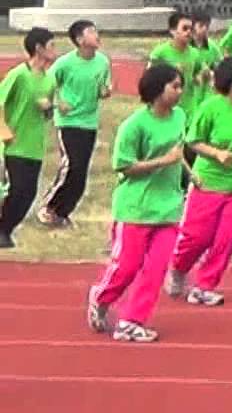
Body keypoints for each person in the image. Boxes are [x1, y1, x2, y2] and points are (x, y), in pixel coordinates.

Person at [87, 64, 188, 343]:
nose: (180, 92)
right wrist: (161, 162)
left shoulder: (180, 116)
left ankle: (132, 321)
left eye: (181, 86)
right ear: (157, 90)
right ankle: (102, 296)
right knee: (127, 266)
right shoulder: (134, 125)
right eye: (174, 86)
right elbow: (124, 166)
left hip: (168, 207)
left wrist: (191, 172)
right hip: (136, 207)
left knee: (156, 269)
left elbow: (178, 152)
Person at [167, 56, 232, 307]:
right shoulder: (211, 107)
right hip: (209, 180)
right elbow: (194, 140)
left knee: (227, 238)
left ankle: (204, 286)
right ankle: (178, 268)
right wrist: (217, 154)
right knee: (197, 237)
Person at [38, 19, 114, 229]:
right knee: (72, 166)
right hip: (69, 121)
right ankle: (48, 207)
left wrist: (105, 92)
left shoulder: (102, 62)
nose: (97, 35)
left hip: (89, 122)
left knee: (81, 175)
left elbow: (105, 86)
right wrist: (57, 102)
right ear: (80, 40)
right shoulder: (64, 63)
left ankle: (62, 212)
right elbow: (45, 85)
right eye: (91, 32)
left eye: (96, 30)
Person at [0, 27, 58, 248]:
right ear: (38, 48)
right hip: (14, 145)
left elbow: (47, 114)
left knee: (28, 193)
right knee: (15, 189)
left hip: (35, 145)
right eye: (51, 45)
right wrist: (4, 132)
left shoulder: (49, 80)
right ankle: (3, 230)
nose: (55, 50)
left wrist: (48, 108)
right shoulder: (19, 74)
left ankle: (6, 229)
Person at [150, 12, 208, 124]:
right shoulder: (160, 53)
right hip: (167, 107)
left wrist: (200, 77)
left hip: (190, 108)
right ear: (172, 31)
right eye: (184, 28)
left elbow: (198, 72)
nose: (188, 32)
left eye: (191, 29)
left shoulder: (195, 53)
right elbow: (149, 78)